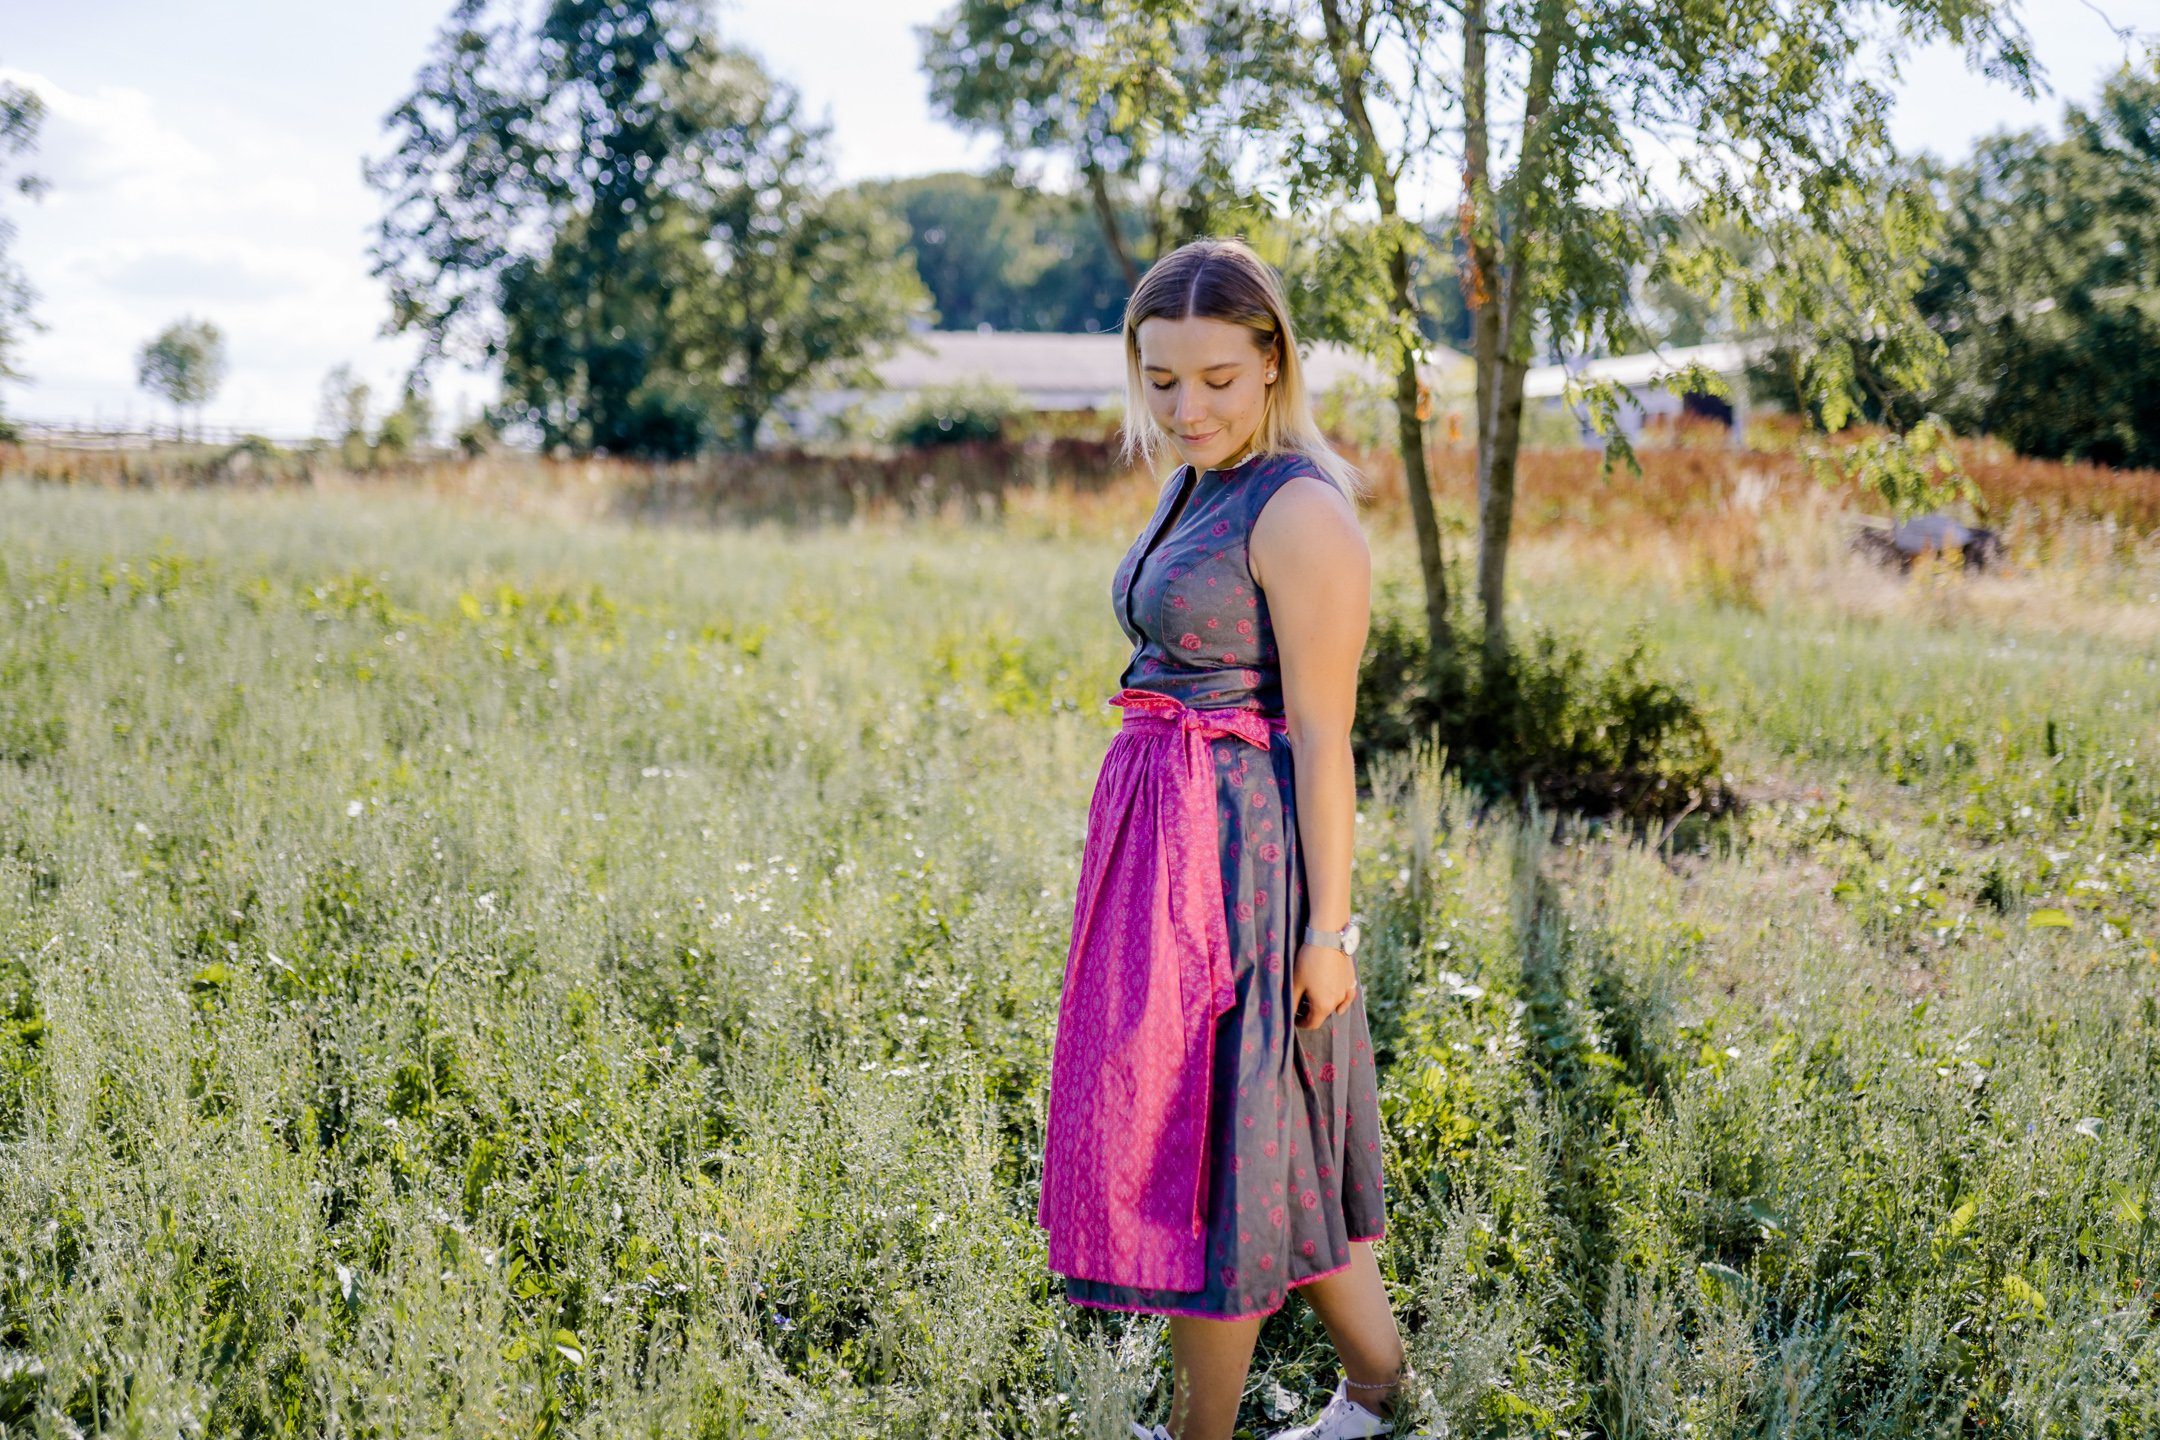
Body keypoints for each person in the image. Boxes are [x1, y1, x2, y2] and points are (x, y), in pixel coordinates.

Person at [1035, 236, 1410, 1440]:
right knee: (1270, 1137)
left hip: (1239, 870)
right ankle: (1383, 1395)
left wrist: (1329, 933)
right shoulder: (1197, 480)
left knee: (1218, 1149)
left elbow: (1326, 734)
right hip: (1166, 844)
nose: (1185, 406)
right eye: (1160, 379)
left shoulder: (1300, 510)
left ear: (1273, 366)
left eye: (1215, 379)